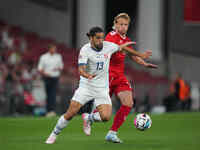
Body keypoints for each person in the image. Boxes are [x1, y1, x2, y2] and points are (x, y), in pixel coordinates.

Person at [45, 26, 147, 144]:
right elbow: (81, 69)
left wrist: (140, 55)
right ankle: (54, 134)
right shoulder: (85, 50)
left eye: (102, 38)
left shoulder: (108, 46)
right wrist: (86, 75)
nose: (101, 41)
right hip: (86, 87)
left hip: (102, 89)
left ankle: (88, 118)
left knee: (106, 117)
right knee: (71, 113)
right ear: (91, 38)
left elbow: (123, 48)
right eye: (98, 38)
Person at [82, 13, 157, 143]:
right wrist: (127, 51)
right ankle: (89, 118)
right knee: (104, 115)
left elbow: (132, 55)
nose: (123, 27)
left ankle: (112, 133)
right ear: (115, 24)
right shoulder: (111, 36)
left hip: (120, 76)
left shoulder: (126, 39)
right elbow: (113, 50)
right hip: (107, 76)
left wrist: (144, 64)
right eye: (120, 24)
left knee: (128, 103)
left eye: (125, 24)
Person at [38, 44, 64, 117]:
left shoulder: (58, 56)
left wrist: (58, 69)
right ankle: (48, 110)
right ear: (49, 49)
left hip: (55, 77)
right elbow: (40, 68)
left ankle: (51, 111)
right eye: (53, 48)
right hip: (47, 77)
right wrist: (45, 73)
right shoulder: (43, 57)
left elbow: (61, 66)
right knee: (48, 94)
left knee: (53, 94)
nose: (54, 50)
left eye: (55, 49)